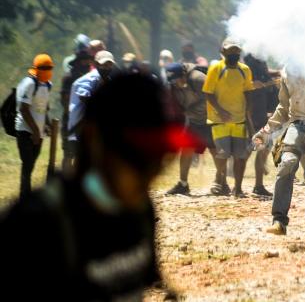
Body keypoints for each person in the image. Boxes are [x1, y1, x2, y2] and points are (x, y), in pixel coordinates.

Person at [0, 74, 188, 300]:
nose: (154, 171)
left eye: (163, 156)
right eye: (141, 156)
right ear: (93, 138)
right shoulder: (34, 225)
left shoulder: (140, 209)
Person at [253, 66, 305, 242]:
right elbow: (283, 106)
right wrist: (266, 130)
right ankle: (279, 221)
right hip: (297, 125)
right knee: (286, 163)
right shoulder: (288, 71)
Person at [202, 38, 254, 198]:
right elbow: (208, 93)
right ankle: (221, 181)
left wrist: (248, 114)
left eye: (236, 51)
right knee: (223, 153)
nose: (234, 54)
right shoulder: (216, 68)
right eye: (230, 51)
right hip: (219, 120)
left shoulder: (244, 70)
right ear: (223, 52)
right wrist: (221, 111)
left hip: (239, 120)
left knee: (240, 156)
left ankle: (237, 188)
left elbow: (248, 91)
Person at [164, 62, 215, 195]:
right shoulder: (172, 85)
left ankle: (222, 183)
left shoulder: (198, 78)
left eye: (177, 79)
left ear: (183, 74)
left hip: (209, 119)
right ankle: (183, 184)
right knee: (186, 149)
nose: (175, 83)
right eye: (172, 81)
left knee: (215, 150)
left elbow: (212, 95)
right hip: (193, 121)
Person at [65, 50, 116, 172]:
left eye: (109, 65)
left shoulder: (105, 79)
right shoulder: (90, 78)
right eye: (104, 64)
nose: (107, 67)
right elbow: (85, 98)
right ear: (96, 64)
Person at [14, 54, 53, 199]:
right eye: (43, 68)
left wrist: (47, 125)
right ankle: (25, 197)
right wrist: (35, 131)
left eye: (49, 68)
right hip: (25, 131)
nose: (47, 70)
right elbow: (24, 109)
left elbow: (43, 109)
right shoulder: (30, 83)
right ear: (36, 68)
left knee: (31, 165)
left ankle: (26, 195)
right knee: (27, 164)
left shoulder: (47, 85)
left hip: (39, 133)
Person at [243, 54, 277, 197]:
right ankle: (252, 185)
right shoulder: (251, 83)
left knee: (260, 150)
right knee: (252, 150)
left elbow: (267, 79)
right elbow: (249, 107)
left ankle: (257, 185)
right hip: (255, 121)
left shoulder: (256, 80)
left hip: (260, 119)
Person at [61, 37, 94, 173]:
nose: (86, 63)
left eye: (88, 60)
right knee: (69, 154)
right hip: (71, 120)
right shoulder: (69, 78)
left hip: (87, 122)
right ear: (78, 62)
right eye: (83, 60)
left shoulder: (92, 78)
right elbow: (65, 101)